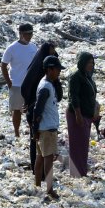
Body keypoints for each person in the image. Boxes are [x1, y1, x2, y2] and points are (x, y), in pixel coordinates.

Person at [21, 41, 59, 181]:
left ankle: (39, 179)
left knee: (39, 149)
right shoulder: (40, 70)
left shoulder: (45, 71)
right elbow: (25, 86)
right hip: (38, 113)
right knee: (42, 151)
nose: (53, 52)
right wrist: (29, 102)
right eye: (52, 49)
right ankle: (44, 181)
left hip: (40, 111)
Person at [31, 55, 64, 200]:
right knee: (48, 159)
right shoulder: (45, 87)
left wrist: (35, 129)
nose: (59, 72)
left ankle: (37, 185)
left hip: (43, 128)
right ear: (50, 69)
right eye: (57, 70)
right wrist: (35, 127)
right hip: (47, 129)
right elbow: (38, 110)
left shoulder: (46, 83)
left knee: (40, 157)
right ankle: (49, 189)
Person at [0, 23, 38, 138]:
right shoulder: (12, 48)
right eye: (27, 34)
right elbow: (3, 65)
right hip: (16, 84)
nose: (30, 36)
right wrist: (9, 82)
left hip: (31, 84)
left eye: (31, 33)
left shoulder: (33, 47)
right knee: (17, 110)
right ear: (21, 34)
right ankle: (16, 132)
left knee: (32, 109)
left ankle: (32, 131)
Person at [66, 51, 97, 178]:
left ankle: (82, 171)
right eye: (89, 62)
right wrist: (78, 115)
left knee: (83, 145)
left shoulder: (86, 75)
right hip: (77, 115)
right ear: (82, 62)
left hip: (86, 115)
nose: (91, 65)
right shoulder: (76, 76)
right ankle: (76, 173)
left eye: (92, 62)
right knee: (77, 145)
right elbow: (74, 97)